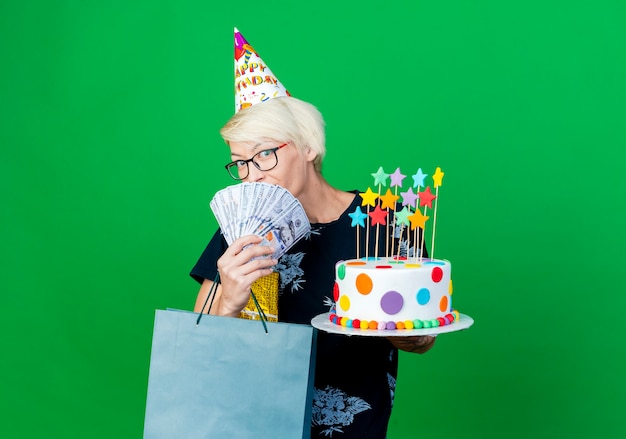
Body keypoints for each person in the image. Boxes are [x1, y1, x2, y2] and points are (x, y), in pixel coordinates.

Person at [190, 95, 436, 438]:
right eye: (240, 162)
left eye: (264, 154)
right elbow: (200, 347)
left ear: (308, 147)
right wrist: (229, 301)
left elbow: (424, 337)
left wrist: (412, 335)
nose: (251, 176)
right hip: (256, 423)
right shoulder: (241, 229)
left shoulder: (385, 224)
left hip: (357, 427)